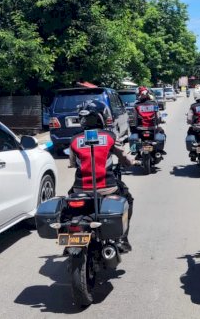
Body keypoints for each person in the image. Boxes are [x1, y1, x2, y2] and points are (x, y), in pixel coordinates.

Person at [68, 99, 135, 252]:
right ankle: (122, 238)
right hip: (108, 188)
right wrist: (130, 161)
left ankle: (71, 235)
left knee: (69, 204)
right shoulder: (110, 136)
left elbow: (72, 163)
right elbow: (124, 158)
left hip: (80, 189)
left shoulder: (74, 140)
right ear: (101, 117)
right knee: (128, 199)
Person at [131, 86, 166, 152]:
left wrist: (135, 125)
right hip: (153, 127)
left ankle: (137, 153)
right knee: (161, 132)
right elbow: (157, 115)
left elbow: (134, 118)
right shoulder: (154, 104)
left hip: (140, 128)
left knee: (135, 136)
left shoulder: (136, 105)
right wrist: (160, 121)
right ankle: (160, 150)